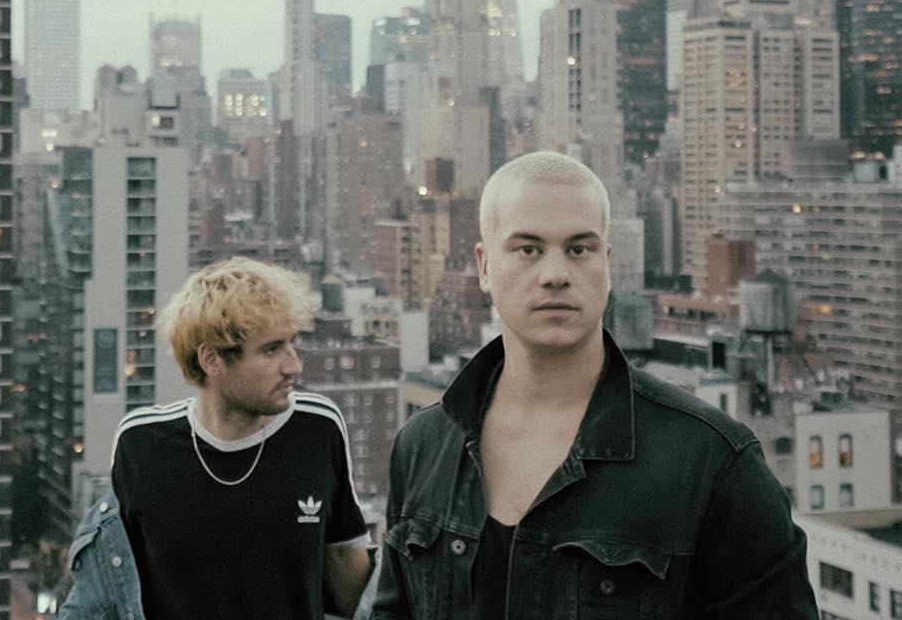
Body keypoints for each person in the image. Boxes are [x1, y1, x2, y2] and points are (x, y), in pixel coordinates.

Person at [373, 151, 818, 619]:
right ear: (484, 267)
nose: (555, 275)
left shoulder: (714, 463)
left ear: (606, 264)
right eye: (528, 249)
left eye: (579, 249)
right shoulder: (422, 447)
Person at [60, 256, 373, 620]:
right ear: (212, 360)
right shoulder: (142, 444)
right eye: (272, 349)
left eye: (292, 344)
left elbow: (352, 591)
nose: (293, 365)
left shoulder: (317, 429)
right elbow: (99, 596)